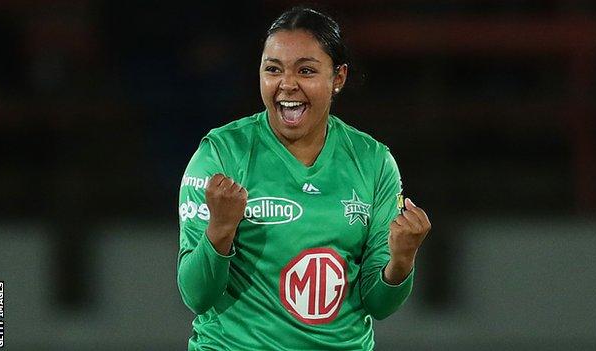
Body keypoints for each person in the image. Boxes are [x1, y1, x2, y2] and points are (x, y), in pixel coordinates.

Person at [177, 6, 431, 350]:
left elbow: (379, 304)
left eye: (306, 71)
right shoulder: (221, 154)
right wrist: (219, 230)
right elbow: (196, 295)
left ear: (338, 78)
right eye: (273, 70)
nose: (287, 85)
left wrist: (402, 261)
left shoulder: (373, 161)